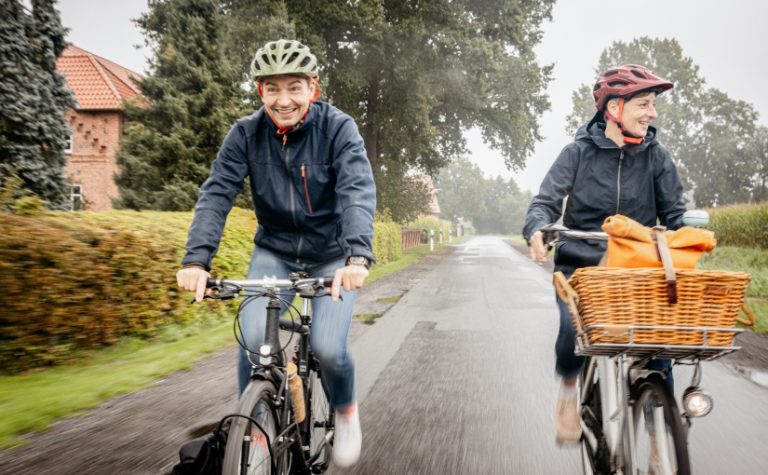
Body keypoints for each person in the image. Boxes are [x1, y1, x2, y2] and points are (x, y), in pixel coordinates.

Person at [176, 39, 376, 468]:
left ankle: (345, 411)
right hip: (275, 251)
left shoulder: (339, 129)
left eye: (294, 87)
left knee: (327, 346)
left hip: (332, 253)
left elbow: (357, 192)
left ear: (313, 89)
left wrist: (357, 257)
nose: (283, 100)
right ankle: (257, 427)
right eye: (272, 88)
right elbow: (215, 195)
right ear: (259, 90)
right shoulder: (245, 134)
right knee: (253, 342)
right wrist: (196, 260)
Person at [522, 64, 686, 443]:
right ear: (614, 108)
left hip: (638, 268)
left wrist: (684, 241)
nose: (652, 113)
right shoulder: (577, 153)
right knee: (573, 331)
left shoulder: (656, 156)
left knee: (660, 349)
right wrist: (537, 229)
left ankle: (661, 441)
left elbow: (675, 214)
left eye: (653, 105)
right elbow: (545, 202)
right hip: (582, 265)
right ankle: (567, 390)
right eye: (643, 104)